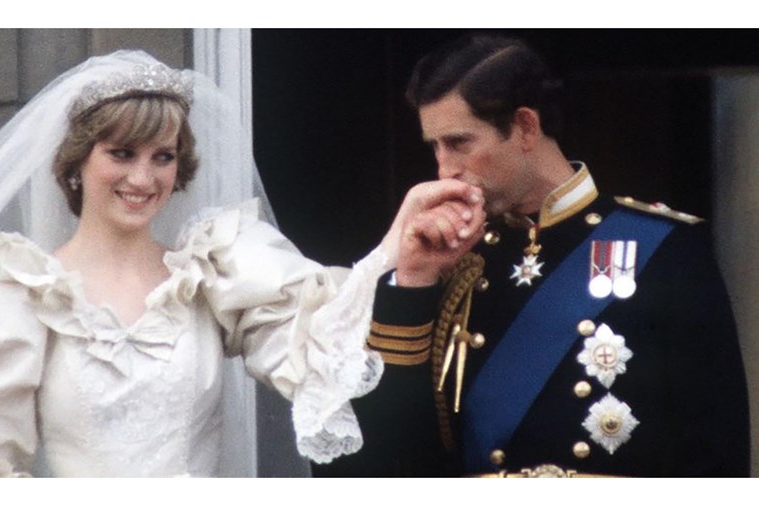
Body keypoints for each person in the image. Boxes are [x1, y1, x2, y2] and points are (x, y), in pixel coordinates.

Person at [0, 50, 479, 477]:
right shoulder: (13, 290)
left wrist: (395, 252)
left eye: (162, 156)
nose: (142, 177)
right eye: (121, 153)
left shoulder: (214, 272)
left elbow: (324, 353)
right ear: (77, 161)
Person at [317, 34, 750, 477]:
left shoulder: (664, 248)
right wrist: (411, 281)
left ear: (525, 126)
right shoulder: (454, 263)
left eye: (459, 143)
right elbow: (381, 461)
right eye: (435, 147)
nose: (444, 168)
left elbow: (716, 455)